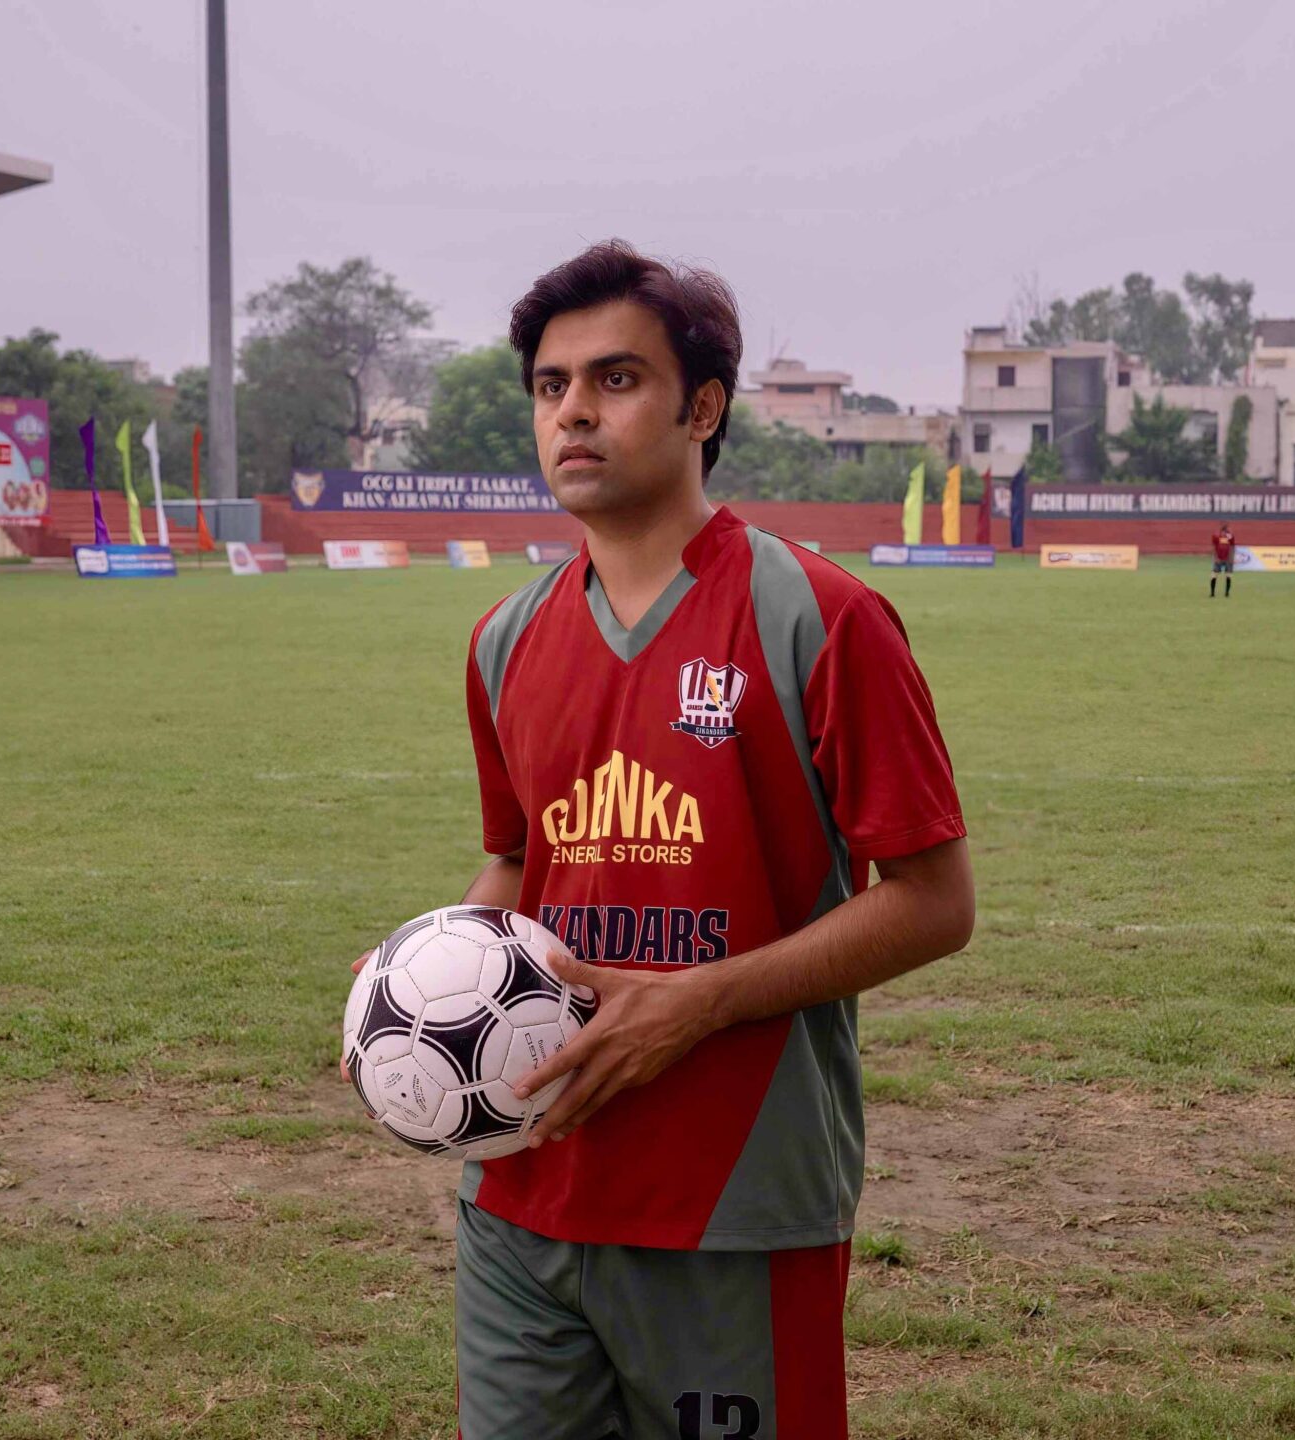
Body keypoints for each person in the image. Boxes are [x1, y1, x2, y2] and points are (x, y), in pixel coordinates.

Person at [357, 240, 975, 1440]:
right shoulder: (503, 641)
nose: (573, 411)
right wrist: (412, 987)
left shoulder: (821, 616)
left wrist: (693, 1003)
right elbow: (516, 865)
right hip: (523, 1181)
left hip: (732, 1204)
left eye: (615, 379)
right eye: (549, 386)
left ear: (702, 407)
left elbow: (934, 901)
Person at [1210, 521, 1237, 598]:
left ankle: (1227, 593)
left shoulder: (1230, 537)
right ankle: (1212, 593)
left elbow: (1232, 547)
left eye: (1226, 530)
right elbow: (1214, 547)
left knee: (1228, 576)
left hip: (1227, 559)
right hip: (1218, 559)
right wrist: (1215, 558)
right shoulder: (1216, 536)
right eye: (1224, 530)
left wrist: (1231, 558)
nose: (1225, 533)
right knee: (1214, 575)